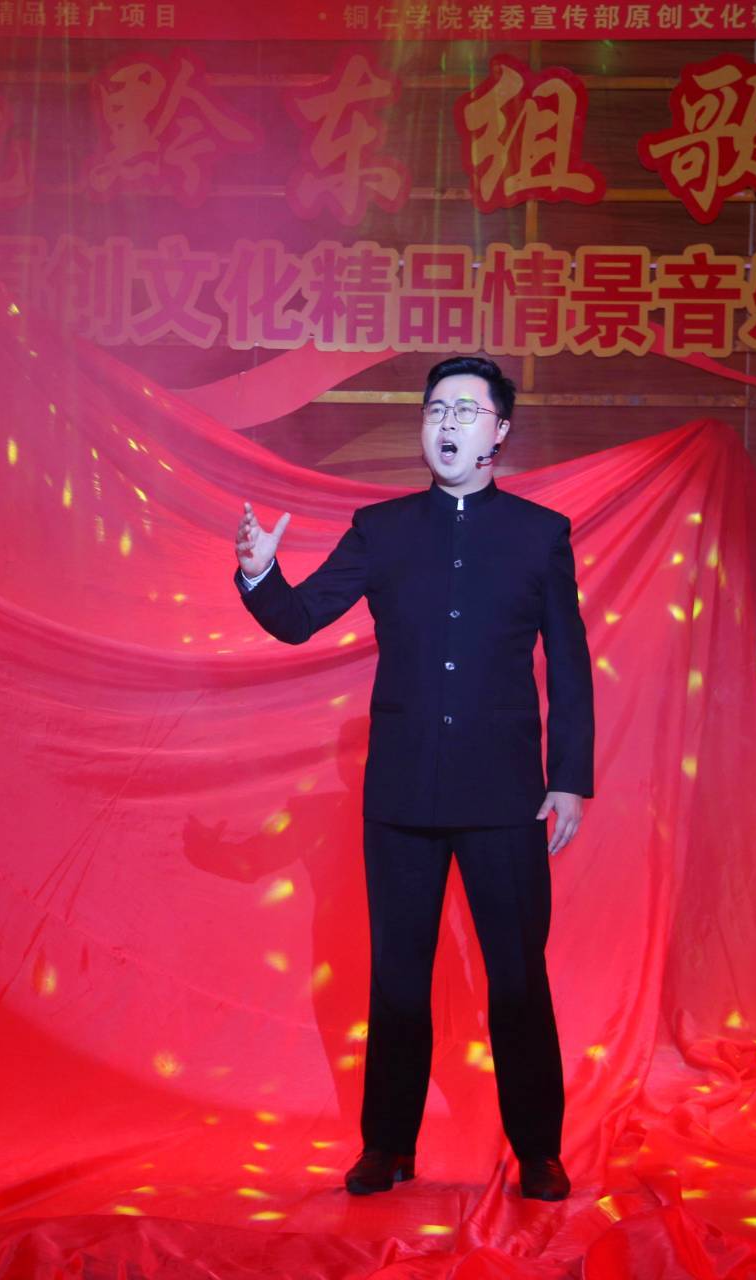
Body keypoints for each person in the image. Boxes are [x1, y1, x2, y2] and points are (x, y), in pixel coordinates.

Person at [230, 355, 593, 1202]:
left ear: (500, 432)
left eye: (466, 410)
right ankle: (387, 1145)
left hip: (505, 795)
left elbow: (570, 665)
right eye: (435, 410)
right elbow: (299, 619)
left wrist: (569, 776)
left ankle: (539, 1149)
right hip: (400, 796)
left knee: (516, 977)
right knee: (398, 978)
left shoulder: (540, 534)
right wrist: (258, 573)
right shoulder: (381, 529)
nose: (447, 423)